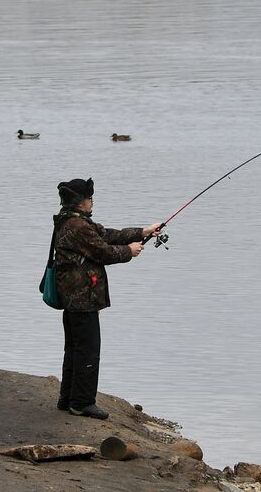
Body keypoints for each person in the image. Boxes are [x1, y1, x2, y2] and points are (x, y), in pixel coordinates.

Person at [51, 177, 162, 419]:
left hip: (73, 298)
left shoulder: (71, 222)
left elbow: (107, 234)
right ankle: (82, 403)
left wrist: (143, 232)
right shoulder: (77, 227)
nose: (92, 202)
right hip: (82, 299)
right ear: (81, 203)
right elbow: (103, 251)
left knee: (74, 349)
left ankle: (67, 399)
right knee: (88, 351)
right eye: (90, 198)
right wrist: (129, 251)